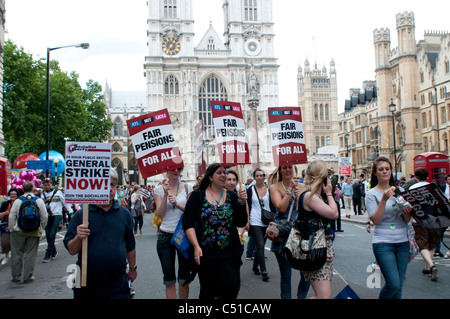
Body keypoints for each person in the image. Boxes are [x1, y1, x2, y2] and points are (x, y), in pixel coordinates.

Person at [63, 168, 137, 299]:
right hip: (86, 280)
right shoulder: (82, 215)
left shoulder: (124, 214)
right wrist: (79, 237)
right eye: (104, 184)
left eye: (112, 185)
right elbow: (72, 250)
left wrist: (132, 268)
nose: (109, 189)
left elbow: (130, 246)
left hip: (117, 282)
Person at [183, 163, 248, 300]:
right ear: (211, 177)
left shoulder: (232, 196)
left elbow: (241, 222)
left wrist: (242, 203)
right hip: (206, 253)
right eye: (219, 173)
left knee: (232, 287)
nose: (223, 175)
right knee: (208, 290)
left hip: (229, 252)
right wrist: (196, 246)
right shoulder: (198, 196)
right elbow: (187, 223)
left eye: (225, 172)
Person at [365, 156, 412, 299]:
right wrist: (384, 200)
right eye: (381, 169)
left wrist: (407, 213)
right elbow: (376, 220)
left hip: (402, 241)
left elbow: (407, 219)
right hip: (383, 243)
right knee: (393, 283)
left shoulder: (399, 191)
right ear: (375, 173)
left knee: (399, 288)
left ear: (391, 171)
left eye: (387, 169)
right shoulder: (371, 194)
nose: (385, 172)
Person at [268, 165, 310, 299]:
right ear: (280, 170)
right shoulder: (275, 187)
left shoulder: (303, 185)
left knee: (306, 272)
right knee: (286, 274)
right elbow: (281, 208)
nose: (287, 170)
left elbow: (310, 206)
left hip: (301, 231)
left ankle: (301, 297)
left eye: (290, 167)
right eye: (284, 168)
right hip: (283, 233)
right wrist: (290, 190)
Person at [299, 160, 339, 299]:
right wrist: (329, 193)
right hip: (314, 249)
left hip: (323, 247)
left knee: (324, 296)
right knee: (323, 296)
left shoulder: (315, 196)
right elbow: (334, 214)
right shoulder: (309, 196)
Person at [154, 167, 193, 299]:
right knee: (169, 280)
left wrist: (176, 203)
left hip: (184, 235)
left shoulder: (188, 187)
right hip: (165, 236)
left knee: (183, 279)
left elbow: (191, 211)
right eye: (172, 169)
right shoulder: (158, 189)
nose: (176, 171)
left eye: (179, 168)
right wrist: (165, 195)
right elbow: (160, 214)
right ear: (166, 170)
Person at [8, 181, 47, 283]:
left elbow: (12, 216)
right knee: (30, 254)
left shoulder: (17, 201)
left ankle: (16, 276)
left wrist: (12, 228)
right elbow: (44, 216)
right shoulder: (38, 200)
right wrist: (42, 227)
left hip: (18, 232)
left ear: (23, 189)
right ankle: (28, 276)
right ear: (33, 188)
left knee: (17, 253)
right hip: (34, 231)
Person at [408, 167, 439, 281]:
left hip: (419, 220)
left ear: (415, 177)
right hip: (434, 219)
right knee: (431, 243)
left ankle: (430, 265)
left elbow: (410, 206)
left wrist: (410, 219)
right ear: (427, 176)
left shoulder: (412, 188)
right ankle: (427, 267)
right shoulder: (433, 188)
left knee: (422, 244)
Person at [247, 168, 273, 282]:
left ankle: (254, 266)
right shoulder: (250, 190)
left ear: (264, 177)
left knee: (260, 245)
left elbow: (273, 206)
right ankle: (264, 271)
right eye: (257, 176)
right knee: (260, 245)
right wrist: (247, 220)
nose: (259, 178)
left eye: (261, 175)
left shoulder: (270, 190)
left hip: (267, 221)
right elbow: (247, 206)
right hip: (255, 220)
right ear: (254, 177)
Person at [41, 179, 73, 263]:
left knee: (52, 233)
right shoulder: (42, 194)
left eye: (48, 185)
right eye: (45, 185)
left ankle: (48, 253)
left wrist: (71, 213)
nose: (47, 186)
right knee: (48, 235)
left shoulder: (58, 193)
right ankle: (53, 250)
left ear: (51, 185)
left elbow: (65, 202)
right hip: (47, 216)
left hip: (57, 215)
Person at [225, 169, 247, 257]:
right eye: (229, 179)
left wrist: (239, 233)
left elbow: (245, 217)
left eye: (234, 180)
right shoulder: (220, 197)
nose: (232, 182)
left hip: (238, 236)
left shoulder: (241, 196)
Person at [0, 188, 24, 266]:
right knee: (5, 242)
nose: (13, 196)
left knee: (17, 242)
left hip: (18, 225)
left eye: (14, 194)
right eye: (11, 194)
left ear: (17, 195)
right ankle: (6, 256)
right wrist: (5, 213)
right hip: (6, 226)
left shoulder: (20, 203)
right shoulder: (5, 203)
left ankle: (17, 257)